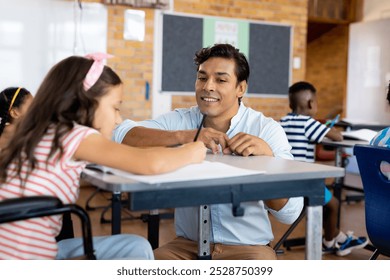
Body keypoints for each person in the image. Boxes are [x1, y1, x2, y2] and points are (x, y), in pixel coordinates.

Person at [0, 53, 207, 260]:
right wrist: (191, 151)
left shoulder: (38, 131)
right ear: (85, 104)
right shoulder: (73, 135)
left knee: (135, 247)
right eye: (115, 108)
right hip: (26, 258)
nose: (118, 119)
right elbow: (148, 163)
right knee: (137, 248)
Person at [113, 43, 303, 260]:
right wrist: (186, 136)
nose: (208, 86)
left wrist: (267, 162)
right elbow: (121, 134)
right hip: (186, 247)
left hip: (249, 249)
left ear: (241, 88)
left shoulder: (266, 130)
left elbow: (291, 213)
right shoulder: (182, 120)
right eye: (202, 78)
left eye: (221, 80)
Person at [280, 81, 368, 256]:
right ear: (311, 103)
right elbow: (336, 136)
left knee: (326, 205)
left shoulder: (283, 121)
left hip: (285, 180)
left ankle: (338, 237)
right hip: (303, 183)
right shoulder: (308, 123)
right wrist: (329, 128)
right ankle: (329, 242)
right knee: (334, 204)